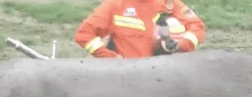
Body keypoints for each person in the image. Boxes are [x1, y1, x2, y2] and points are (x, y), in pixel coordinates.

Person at [74, 0, 205, 59]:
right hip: (129, 77)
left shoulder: (168, 3)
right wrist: (111, 58)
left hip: (166, 77)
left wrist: (181, 45)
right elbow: (84, 35)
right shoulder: (114, 5)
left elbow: (196, 26)